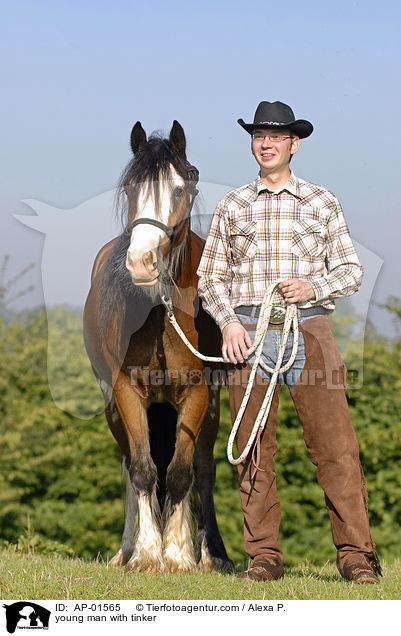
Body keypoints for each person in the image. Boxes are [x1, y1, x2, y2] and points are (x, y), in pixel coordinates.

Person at [197, 101, 381, 583]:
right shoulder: (232, 205)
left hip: (310, 330)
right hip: (248, 332)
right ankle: (264, 557)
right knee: (253, 446)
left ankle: (357, 556)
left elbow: (351, 269)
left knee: (335, 446)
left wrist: (314, 288)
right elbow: (210, 277)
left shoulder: (322, 201)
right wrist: (228, 323)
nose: (266, 143)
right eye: (259, 135)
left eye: (276, 136)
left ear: (293, 144)